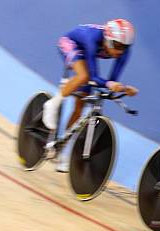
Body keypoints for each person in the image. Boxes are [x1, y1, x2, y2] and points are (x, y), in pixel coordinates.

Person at [42, 19, 138, 171]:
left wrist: (123, 88)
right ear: (107, 39)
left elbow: (112, 81)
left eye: (124, 47)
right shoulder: (92, 39)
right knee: (83, 76)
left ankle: (61, 151)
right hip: (71, 44)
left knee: (80, 107)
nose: (120, 51)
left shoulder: (124, 53)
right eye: (117, 46)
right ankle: (53, 103)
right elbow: (94, 76)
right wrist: (109, 84)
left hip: (86, 55)